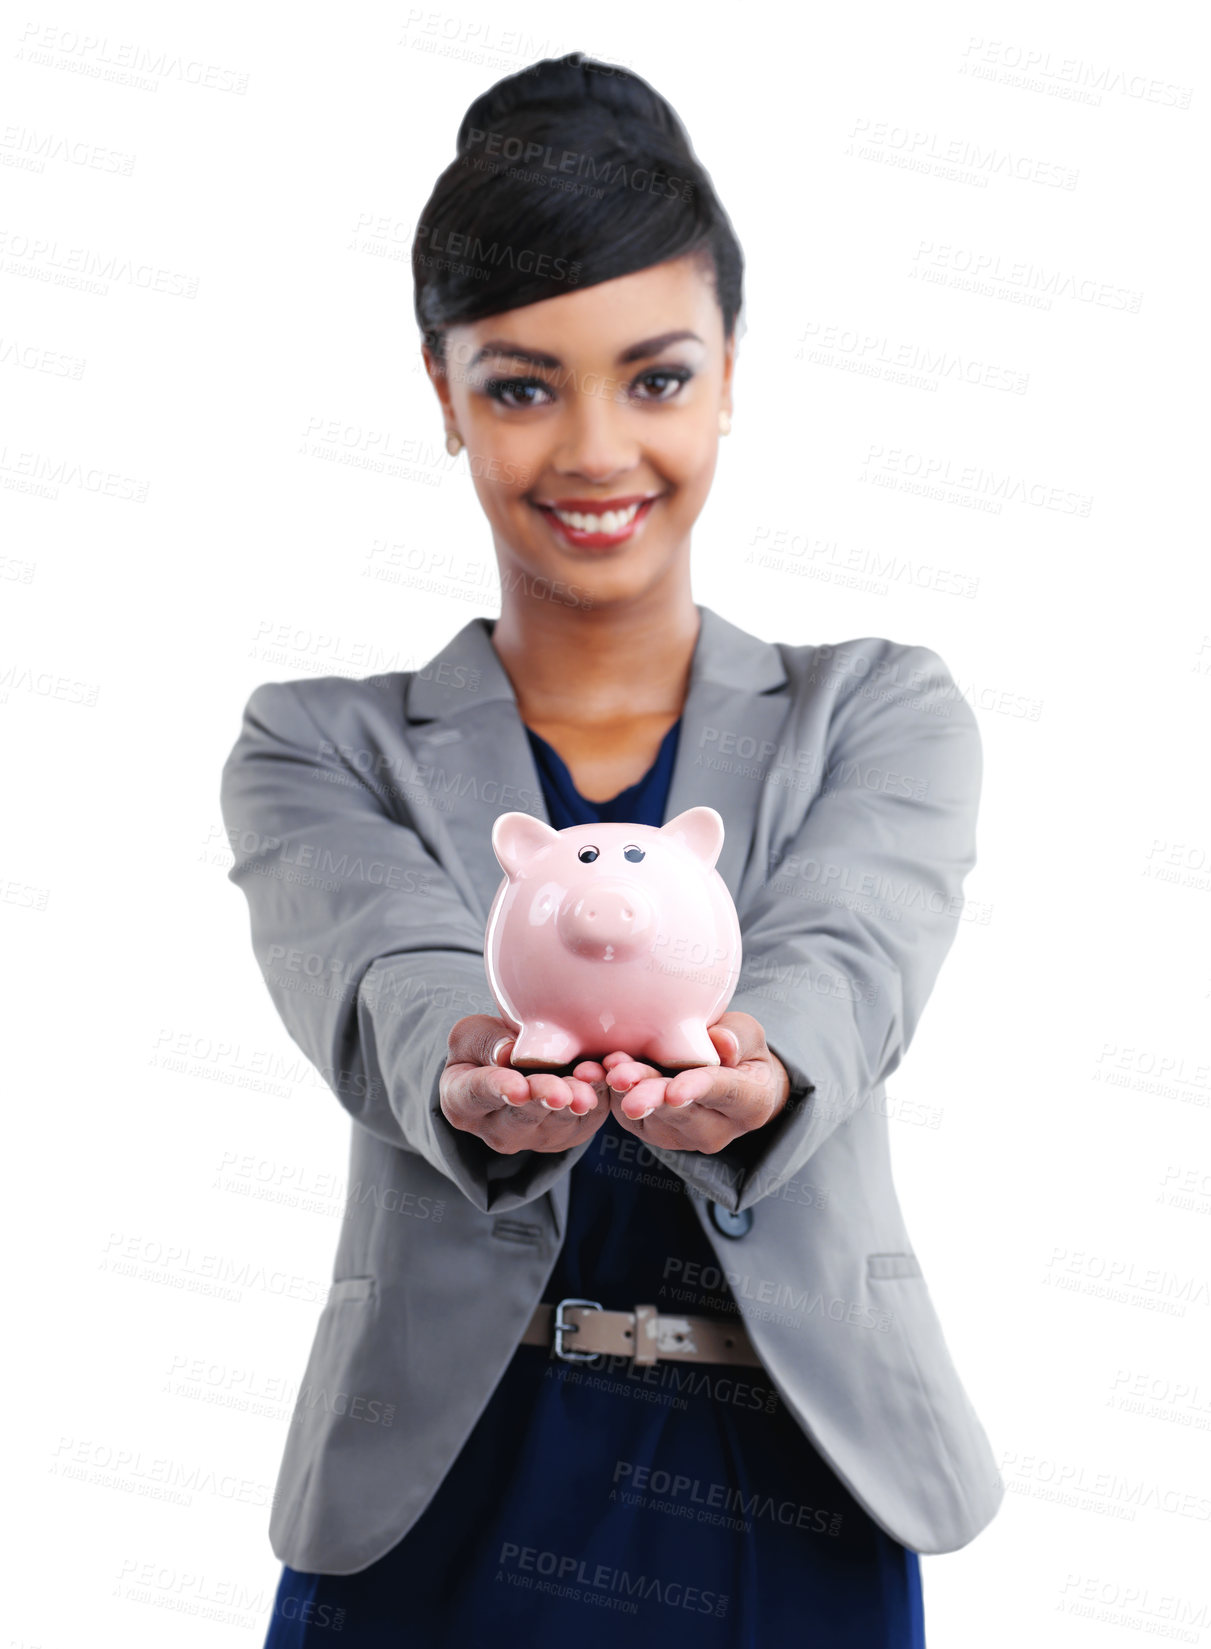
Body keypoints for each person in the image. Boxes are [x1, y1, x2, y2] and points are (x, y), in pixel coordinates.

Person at [219, 50, 1003, 1647]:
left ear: (729, 374)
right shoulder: (316, 743)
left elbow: (849, 953)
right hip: (441, 1492)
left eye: (653, 377)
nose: (593, 452)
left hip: (792, 1491)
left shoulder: (877, 715)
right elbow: (387, 968)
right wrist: (473, 1065)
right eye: (522, 382)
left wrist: (759, 1064)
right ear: (439, 391)